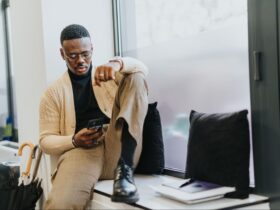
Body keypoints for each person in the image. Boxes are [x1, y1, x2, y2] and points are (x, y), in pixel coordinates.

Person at [39, 24, 148, 209]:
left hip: (119, 148)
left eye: (86, 54)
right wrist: (74, 140)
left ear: (92, 49)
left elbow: (142, 71)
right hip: (82, 152)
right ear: (62, 54)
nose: (80, 60)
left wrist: (117, 63)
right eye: (73, 56)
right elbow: (45, 141)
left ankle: (125, 172)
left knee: (135, 78)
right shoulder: (53, 93)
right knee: (60, 204)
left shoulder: (109, 74)